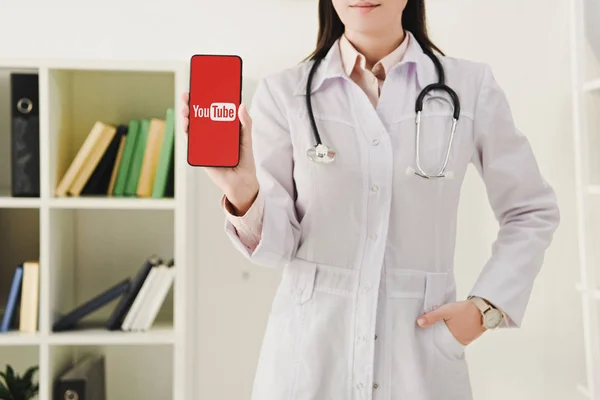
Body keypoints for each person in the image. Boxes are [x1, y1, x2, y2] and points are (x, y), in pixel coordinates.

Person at [181, 0, 561, 398]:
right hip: (307, 365)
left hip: (420, 361)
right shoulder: (284, 94)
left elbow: (531, 210)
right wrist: (242, 189)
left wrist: (485, 309)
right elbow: (278, 250)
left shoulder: (470, 87)